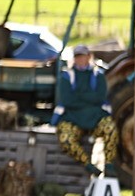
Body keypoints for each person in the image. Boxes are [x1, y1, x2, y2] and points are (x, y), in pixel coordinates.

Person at [49, 44, 118, 176]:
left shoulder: (98, 75)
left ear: (89, 57)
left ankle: (108, 165)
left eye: (83, 56)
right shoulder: (66, 76)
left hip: (95, 117)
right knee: (65, 139)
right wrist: (89, 97)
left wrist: (79, 96)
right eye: (77, 57)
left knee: (111, 129)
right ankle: (88, 164)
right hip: (72, 118)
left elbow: (100, 97)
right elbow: (67, 100)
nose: (80, 59)